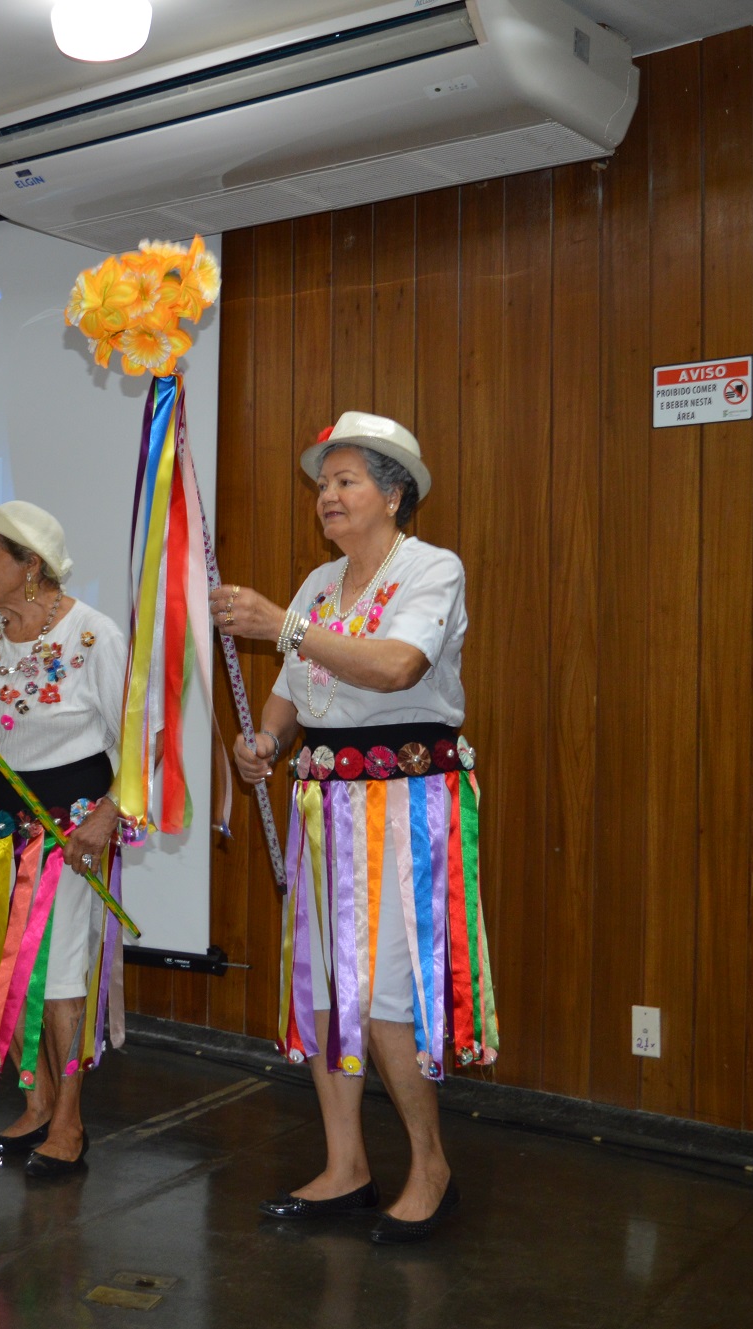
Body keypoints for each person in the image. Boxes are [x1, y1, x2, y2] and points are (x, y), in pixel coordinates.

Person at [212, 411, 497, 1245]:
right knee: (329, 991)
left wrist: (286, 628)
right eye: (323, 484)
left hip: (405, 806)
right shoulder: (315, 583)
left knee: (386, 999)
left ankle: (431, 1165)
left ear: (394, 492)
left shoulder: (430, 568)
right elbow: (295, 691)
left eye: (345, 481)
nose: (327, 497)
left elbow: (397, 664)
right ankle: (346, 1166)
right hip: (326, 803)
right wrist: (263, 738)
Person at [0, 498, 128, 1180]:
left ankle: (70, 1121)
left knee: (62, 976)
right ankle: (36, 1102)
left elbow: (139, 743)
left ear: (30, 564)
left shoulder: (92, 636)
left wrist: (104, 818)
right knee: (3, 963)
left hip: (69, 831)